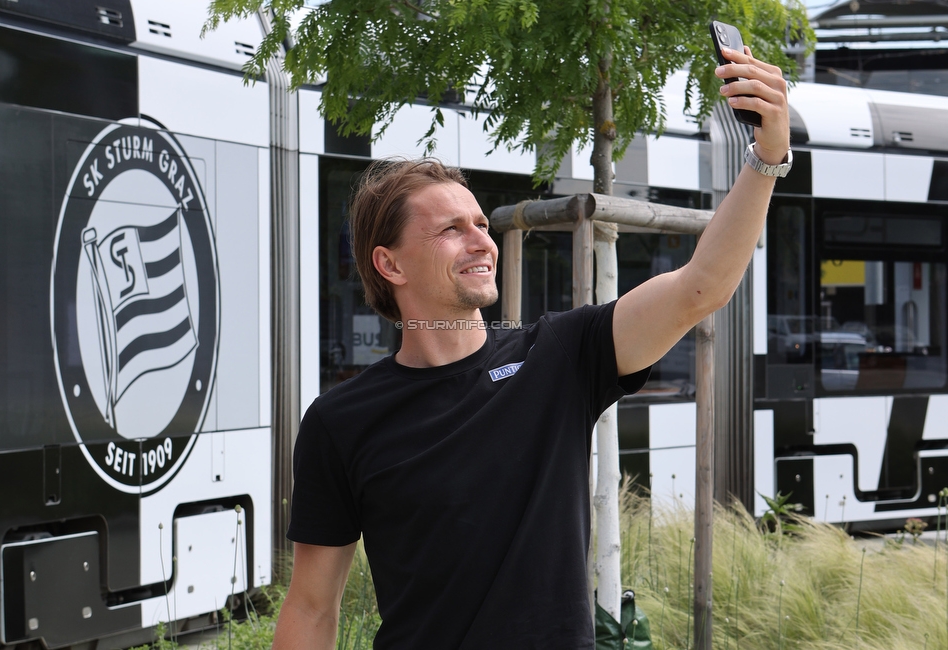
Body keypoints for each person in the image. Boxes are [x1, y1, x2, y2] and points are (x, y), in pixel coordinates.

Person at [273, 45, 790, 650]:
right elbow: (311, 608)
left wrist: (767, 157)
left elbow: (701, 287)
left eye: (480, 225)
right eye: (450, 230)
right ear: (389, 264)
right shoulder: (341, 421)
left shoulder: (559, 357)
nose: (481, 241)